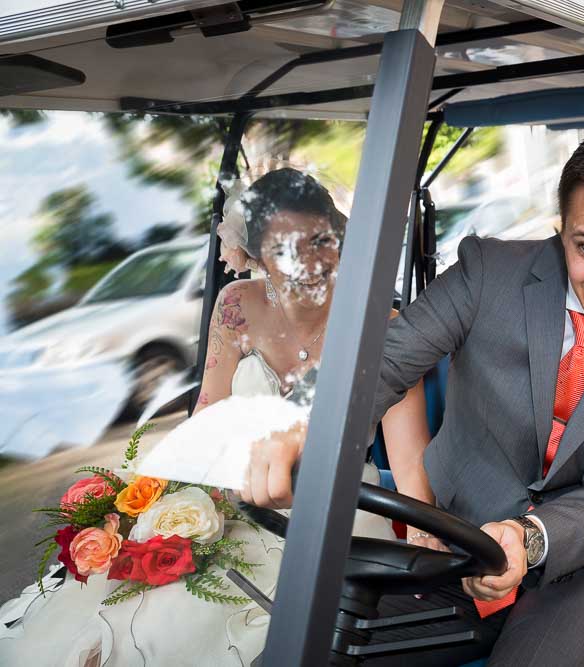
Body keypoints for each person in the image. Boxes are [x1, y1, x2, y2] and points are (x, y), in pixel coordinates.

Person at [248, 126, 584, 665]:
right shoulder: (486, 272)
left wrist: (528, 539)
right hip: (454, 539)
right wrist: (306, 423)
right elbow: (383, 361)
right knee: (304, 650)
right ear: (561, 229)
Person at [0, 168, 436, 666]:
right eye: (283, 249)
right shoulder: (236, 308)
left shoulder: (385, 326)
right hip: (240, 497)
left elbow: (408, 459)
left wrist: (425, 547)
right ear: (257, 257)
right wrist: (158, 502)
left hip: (340, 505)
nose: (309, 262)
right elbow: (207, 416)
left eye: (320, 240)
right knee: (155, 604)